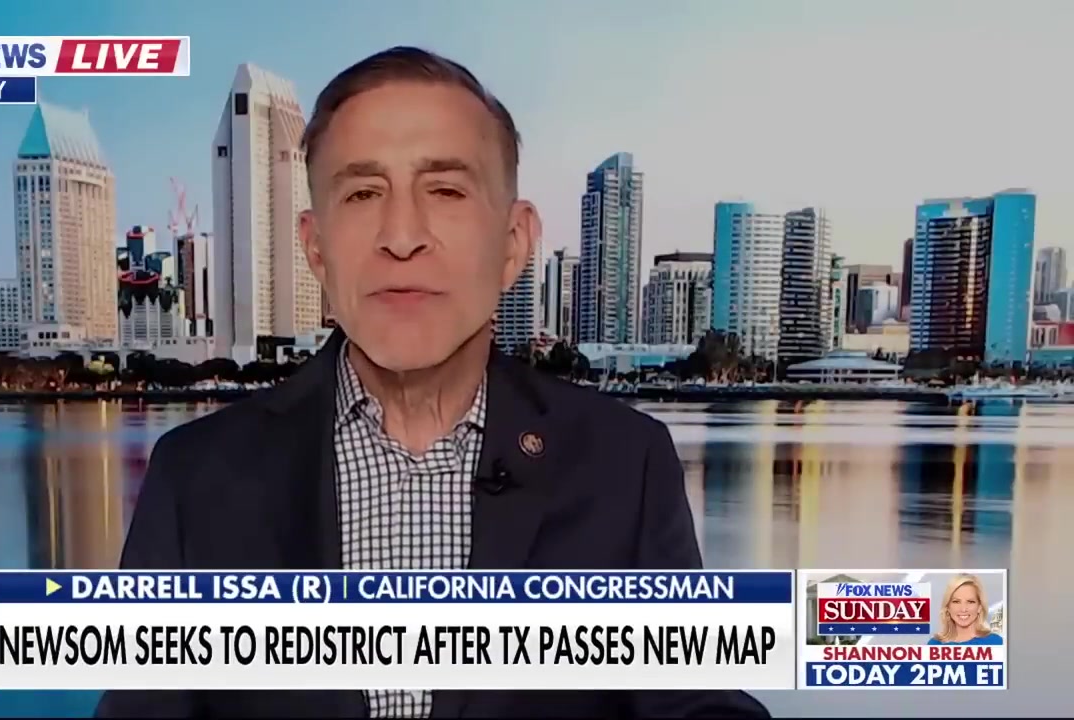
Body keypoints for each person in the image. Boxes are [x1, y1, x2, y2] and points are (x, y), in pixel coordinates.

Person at [96, 46, 770, 719]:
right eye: (363, 194)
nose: (402, 236)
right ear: (316, 248)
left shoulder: (625, 464)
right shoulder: (195, 478)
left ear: (513, 243)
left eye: (445, 191)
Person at [927, 574, 1004, 646]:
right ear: (948, 607)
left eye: (970, 602)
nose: (963, 609)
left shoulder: (996, 643)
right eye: (956, 602)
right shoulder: (934, 644)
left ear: (979, 607)